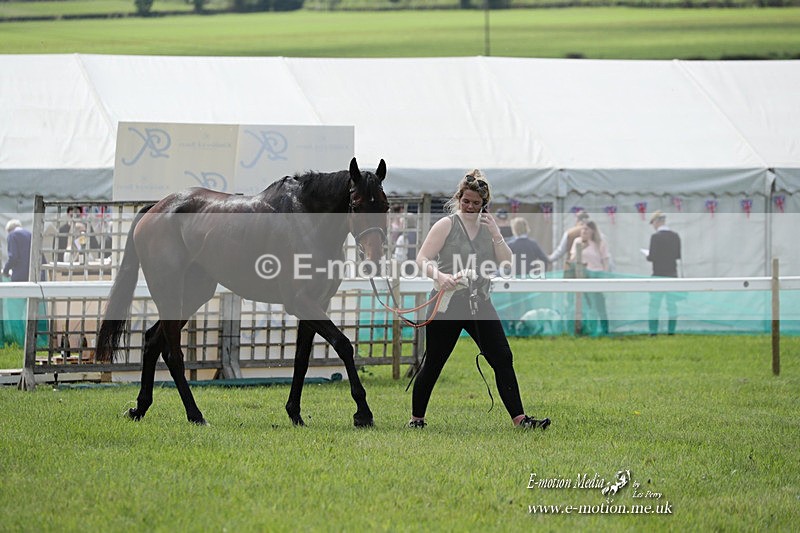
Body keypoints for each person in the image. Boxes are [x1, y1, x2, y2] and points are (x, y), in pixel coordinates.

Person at [408, 169, 550, 430]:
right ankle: (416, 419)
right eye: (466, 201)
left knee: (502, 357)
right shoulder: (447, 225)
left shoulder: (489, 229)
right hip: (447, 303)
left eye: (476, 203)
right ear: (458, 198)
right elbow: (422, 259)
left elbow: (507, 263)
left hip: (479, 303)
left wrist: (496, 233)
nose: (471, 207)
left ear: (484, 203)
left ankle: (520, 419)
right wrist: (440, 276)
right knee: (435, 362)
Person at [569, 219, 610, 335]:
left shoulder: (600, 242)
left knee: (599, 304)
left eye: (586, 229)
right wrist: (581, 249)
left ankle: (605, 329)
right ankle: (588, 328)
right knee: (587, 304)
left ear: (592, 231)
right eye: (582, 229)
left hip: (596, 276)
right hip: (583, 276)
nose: (584, 231)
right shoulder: (577, 242)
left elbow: (605, 260)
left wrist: (605, 275)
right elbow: (572, 259)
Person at [646, 211, 681, 335]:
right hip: (672, 273)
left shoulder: (655, 237)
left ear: (656, 222)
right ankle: (671, 331)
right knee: (671, 305)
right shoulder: (675, 236)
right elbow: (677, 255)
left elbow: (652, 257)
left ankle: (653, 331)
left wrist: (647, 255)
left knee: (654, 305)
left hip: (658, 273)